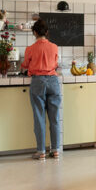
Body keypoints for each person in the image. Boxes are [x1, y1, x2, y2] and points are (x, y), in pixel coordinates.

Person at [20, 19, 62, 161]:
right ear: (47, 32)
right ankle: (55, 150)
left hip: (38, 82)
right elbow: (56, 64)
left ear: (35, 32)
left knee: (39, 118)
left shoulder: (30, 49)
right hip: (53, 81)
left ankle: (41, 151)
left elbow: (25, 64)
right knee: (54, 118)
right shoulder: (55, 47)